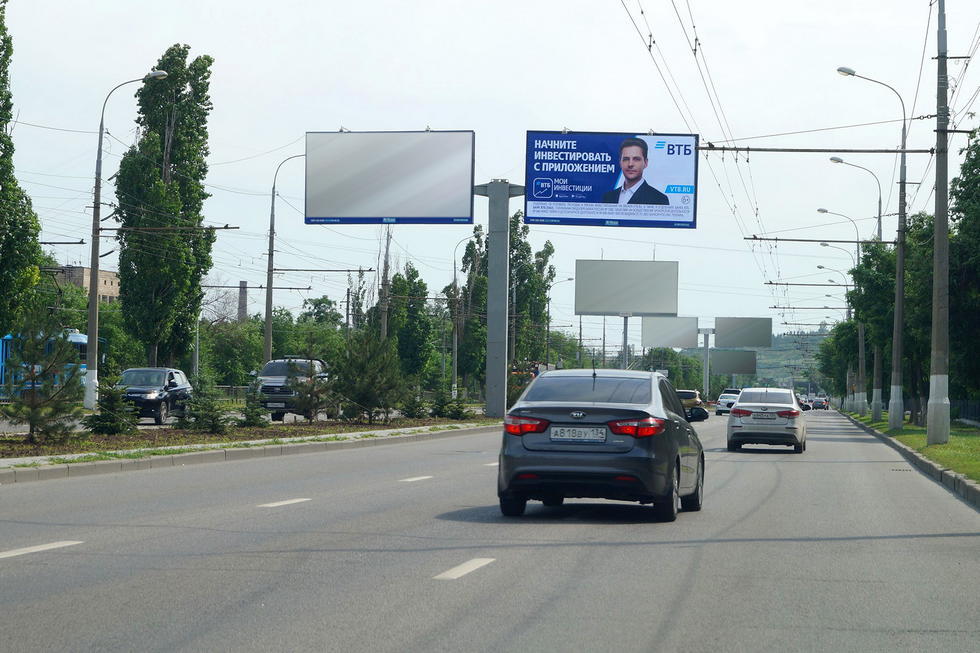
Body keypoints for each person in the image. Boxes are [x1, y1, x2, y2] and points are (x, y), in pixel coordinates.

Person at [601, 137, 670, 205]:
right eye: (626, 159)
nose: (630, 164)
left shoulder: (659, 199)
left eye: (636, 159)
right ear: (620, 162)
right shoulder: (608, 197)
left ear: (645, 163)